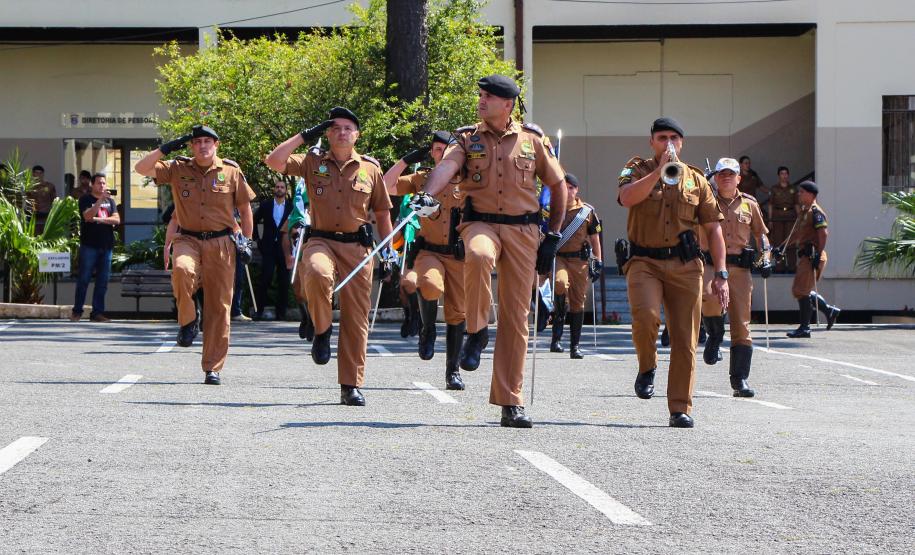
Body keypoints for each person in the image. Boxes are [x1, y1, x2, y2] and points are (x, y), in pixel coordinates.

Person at [421, 75, 567, 428]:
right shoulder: (467, 138)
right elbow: (447, 167)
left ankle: (510, 402)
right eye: (481, 96)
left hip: (524, 230)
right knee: (480, 255)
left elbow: (558, 184)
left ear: (508, 104)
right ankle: (476, 330)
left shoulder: (532, 140)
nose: (481, 101)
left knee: (517, 318)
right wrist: (426, 196)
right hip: (480, 223)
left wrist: (554, 236)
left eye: (489, 97)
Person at [266, 107, 395, 406]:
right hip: (320, 240)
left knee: (355, 317)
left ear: (357, 135)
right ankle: (322, 330)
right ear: (327, 133)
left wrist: (389, 250)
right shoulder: (312, 162)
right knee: (317, 273)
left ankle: (350, 385)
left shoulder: (370, 169)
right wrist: (304, 135)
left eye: (348, 128)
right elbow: (274, 160)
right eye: (335, 128)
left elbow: (382, 212)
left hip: (358, 248)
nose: (342, 133)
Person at [617, 117, 728, 429]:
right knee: (645, 316)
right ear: (652, 141)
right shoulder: (636, 168)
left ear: (683, 143)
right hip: (644, 261)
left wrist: (721, 273)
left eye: (674, 139)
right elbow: (626, 198)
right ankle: (647, 365)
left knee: (685, 339)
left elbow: (714, 229)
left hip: (686, 266)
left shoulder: (696, 180)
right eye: (662, 138)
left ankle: (680, 407)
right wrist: (657, 172)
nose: (669, 144)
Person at [135, 124, 255, 386]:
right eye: (197, 141)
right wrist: (166, 148)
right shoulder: (178, 168)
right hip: (187, 238)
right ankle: (188, 319)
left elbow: (245, 209)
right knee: (182, 271)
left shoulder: (231, 172)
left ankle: (212, 367)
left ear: (216, 145)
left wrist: (246, 241)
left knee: (219, 308)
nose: (202, 146)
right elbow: (141, 168)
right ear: (191, 146)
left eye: (207, 141)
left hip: (222, 243)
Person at [384, 131, 466, 390]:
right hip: (429, 251)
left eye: (445, 148)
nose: (439, 153)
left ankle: (453, 371)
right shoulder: (423, 178)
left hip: (460, 254)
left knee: (457, 312)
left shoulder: (470, 181)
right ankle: (427, 328)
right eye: (435, 149)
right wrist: (406, 160)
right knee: (429, 285)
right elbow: (385, 185)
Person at [700, 158, 772, 397]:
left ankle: (739, 380)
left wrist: (766, 257)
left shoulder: (749, 204)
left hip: (740, 269)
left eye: (731, 174)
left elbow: (762, 235)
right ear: (716, 178)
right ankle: (714, 334)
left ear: (739, 178)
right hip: (711, 265)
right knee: (708, 299)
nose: (727, 178)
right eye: (722, 174)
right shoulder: (705, 200)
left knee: (741, 323)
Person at [544, 173, 602, 359]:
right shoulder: (551, 208)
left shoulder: (587, 212)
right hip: (559, 257)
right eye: (565, 187)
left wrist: (599, 261)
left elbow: (595, 238)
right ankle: (557, 329)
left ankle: (574, 346)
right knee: (560, 284)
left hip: (579, 261)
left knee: (578, 302)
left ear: (577, 190)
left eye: (571, 187)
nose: (568, 191)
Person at [785, 181, 841, 338]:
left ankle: (805, 328)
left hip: (812, 255)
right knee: (803, 290)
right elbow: (797, 234)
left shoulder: (816, 212)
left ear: (811, 194)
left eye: (802, 192)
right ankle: (829, 310)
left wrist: (818, 253)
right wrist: (781, 247)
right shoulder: (805, 212)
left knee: (801, 291)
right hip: (806, 255)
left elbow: (823, 233)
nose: (799, 194)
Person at [70, 173, 119, 323]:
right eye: (99, 183)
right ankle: (77, 311)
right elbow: (87, 216)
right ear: (92, 184)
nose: (102, 186)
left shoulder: (110, 201)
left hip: (106, 246)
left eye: (104, 183)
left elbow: (117, 220)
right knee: (84, 279)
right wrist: (99, 202)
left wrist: (98, 219)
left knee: (102, 282)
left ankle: (97, 313)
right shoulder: (85, 199)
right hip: (89, 245)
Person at [253, 179, 293, 320]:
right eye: (277, 187)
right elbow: (254, 220)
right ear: (274, 189)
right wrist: (257, 239)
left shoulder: (291, 207)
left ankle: (281, 313)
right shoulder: (266, 205)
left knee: (283, 280)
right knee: (266, 277)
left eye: (282, 187)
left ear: (285, 190)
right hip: (268, 247)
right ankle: (259, 311)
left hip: (284, 247)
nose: (279, 189)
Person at [768, 166, 798, 273]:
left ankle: (792, 266)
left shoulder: (793, 188)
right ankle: (779, 266)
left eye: (786, 174)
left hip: (790, 216)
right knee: (778, 242)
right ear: (778, 176)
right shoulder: (774, 189)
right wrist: (770, 220)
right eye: (782, 174)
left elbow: (796, 204)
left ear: (788, 175)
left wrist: (799, 219)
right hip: (778, 216)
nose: (784, 176)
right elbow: (770, 205)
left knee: (790, 242)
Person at [28, 165, 58, 232]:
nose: (38, 175)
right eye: (36, 173)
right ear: (33, 174)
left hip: (46, 215)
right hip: (33, 216)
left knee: (45, 235)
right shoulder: (29, 187)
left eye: (40, 173)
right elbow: (27, 201)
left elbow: (54, 201)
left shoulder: (49, 186)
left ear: (43, 174)